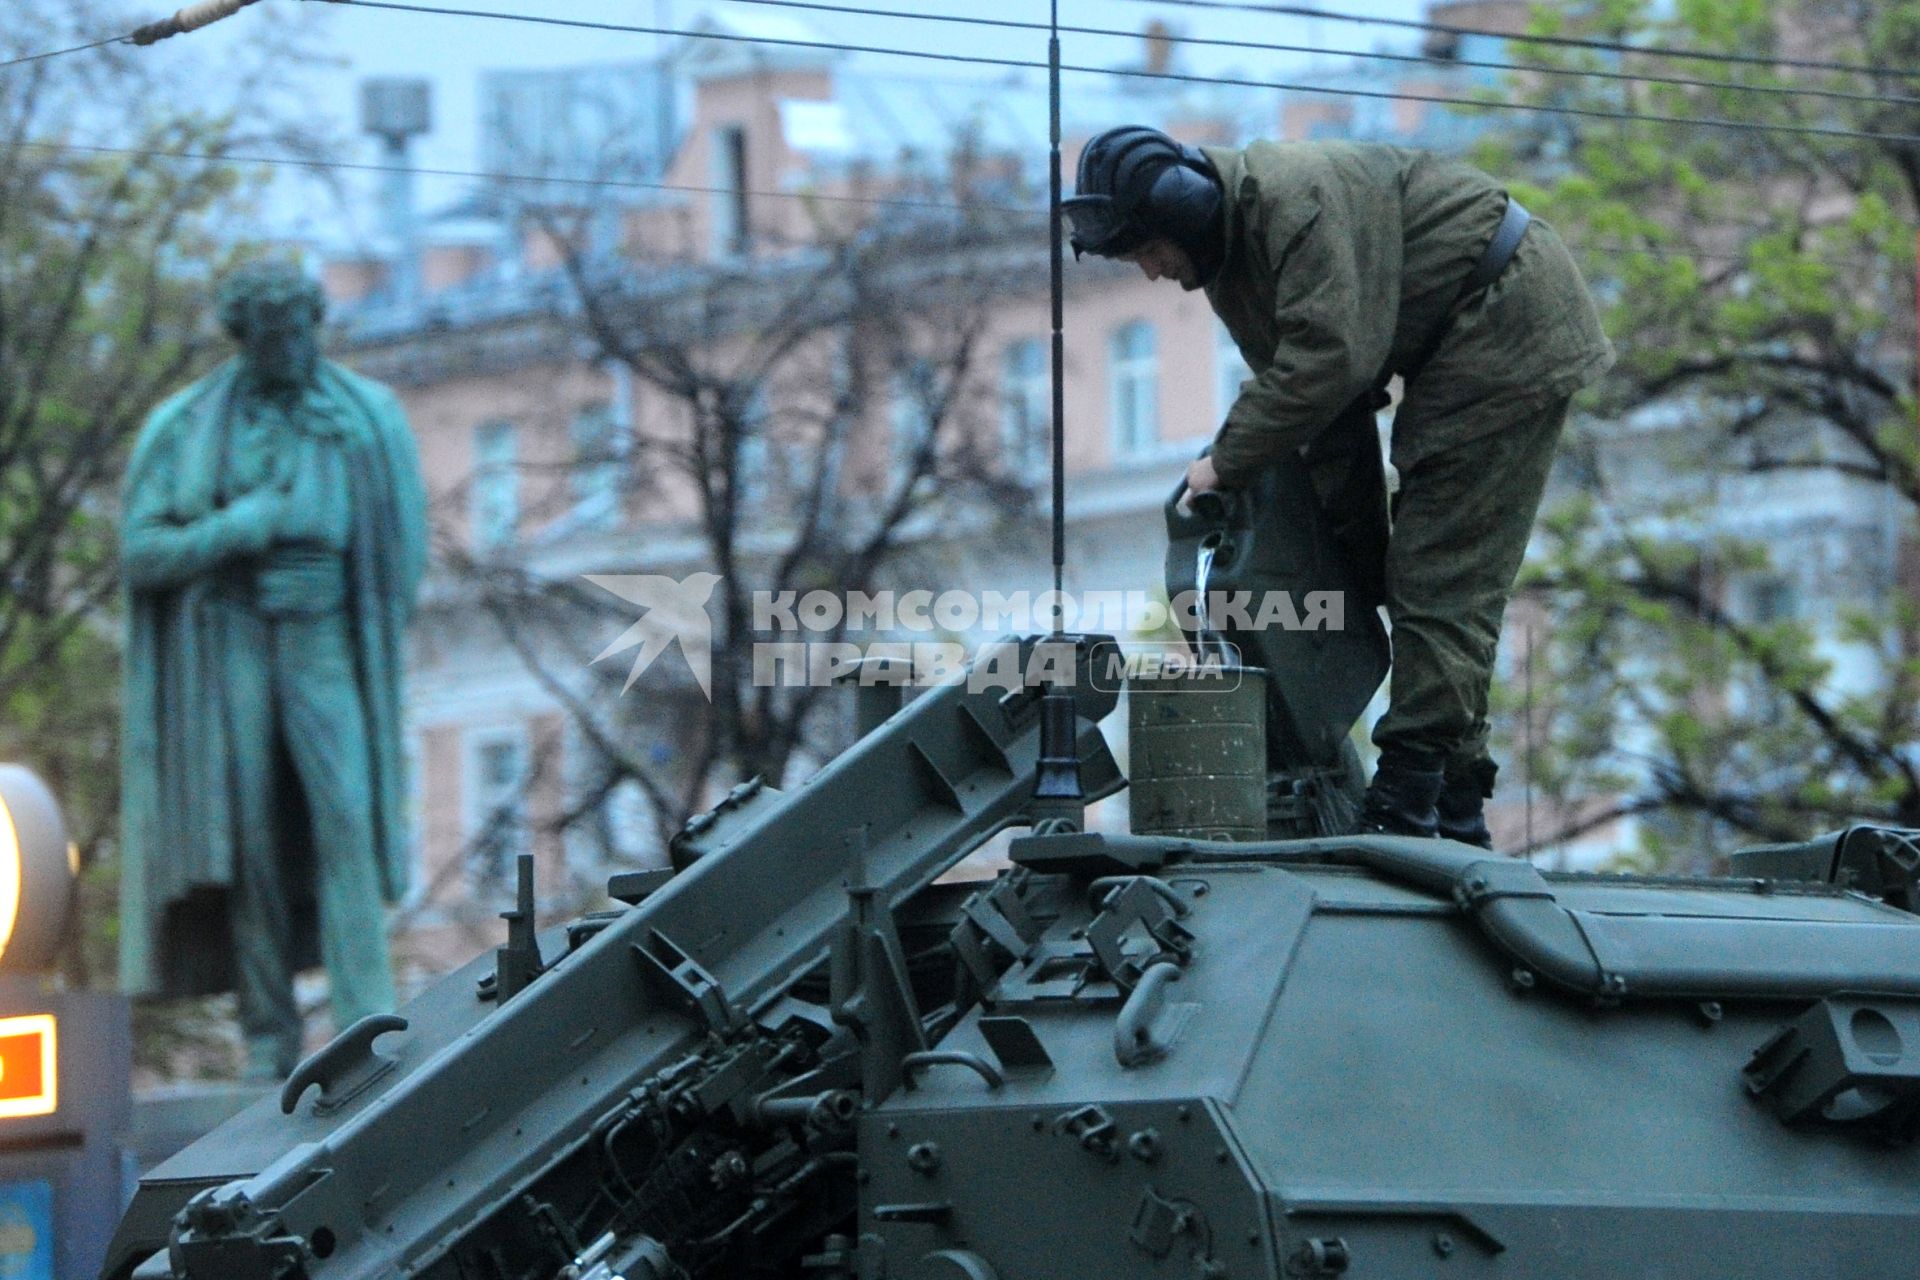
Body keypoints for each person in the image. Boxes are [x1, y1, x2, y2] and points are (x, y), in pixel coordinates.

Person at [1065, 126, 1613, 846]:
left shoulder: (1297, 201)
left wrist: (1224, 462)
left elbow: (1328, 364)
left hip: (1506, 314)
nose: (1149, 272)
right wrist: (1361, 567)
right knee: (1420, 573)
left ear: (1185, 209)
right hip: (1454, 343)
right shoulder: (1236, 267)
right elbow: (1329, 424)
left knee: (1441, 568)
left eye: (1145, 250)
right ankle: (1453, 799)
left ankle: (1410, 796)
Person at [120, 262, 427, 1078]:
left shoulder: (367, 419)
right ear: (244, 336)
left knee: (346, 818)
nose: (292, 348)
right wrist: (236, 529)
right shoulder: (187, 428)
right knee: (248, 831)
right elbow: (141, 551)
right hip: (232, 641)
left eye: (302, 331)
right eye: (273, 335)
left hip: (324, 633)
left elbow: (402, 558)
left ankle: (366, 1015)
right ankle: (269, 1031)